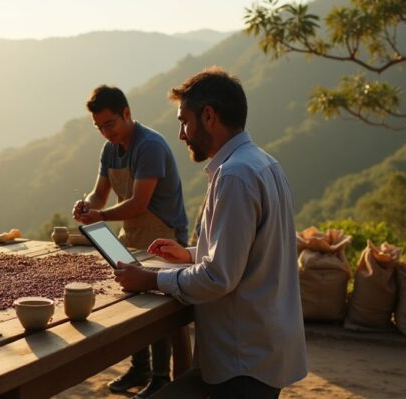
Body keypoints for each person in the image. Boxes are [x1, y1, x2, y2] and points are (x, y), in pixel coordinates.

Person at [114, 67, 308, 399]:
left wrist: (149, 280)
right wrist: (190, 253)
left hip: (243, 360)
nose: (181, 134)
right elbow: (250, 250)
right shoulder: (264, 163)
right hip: (263, 350)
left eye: (183, 121)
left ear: (208, 116)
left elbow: (219, 278)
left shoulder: (235, 176)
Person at [72, 85, 191, 398]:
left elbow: (139, 202)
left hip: (164, 234)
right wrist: (88, 205)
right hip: (131, 233)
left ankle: (161, 377)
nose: (106, 132)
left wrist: (100, 216)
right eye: (99, 127)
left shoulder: (149, 146)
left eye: (110, 124)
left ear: (127, 113)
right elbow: (100, 193)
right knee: (135, 298)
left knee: (158, 306)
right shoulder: (110, 150)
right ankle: (139, 368)